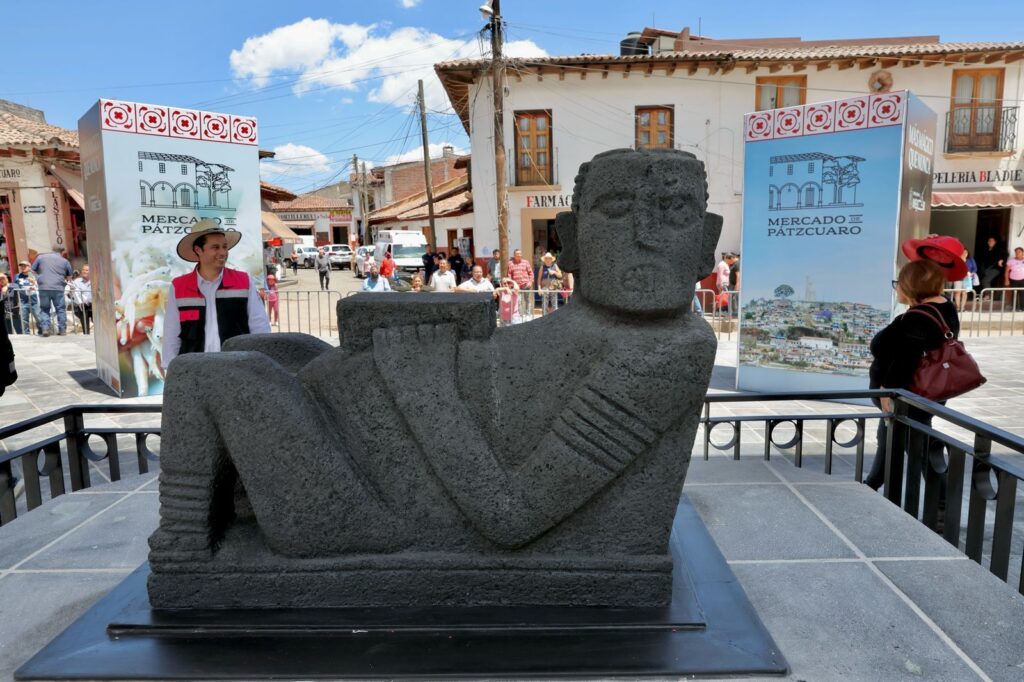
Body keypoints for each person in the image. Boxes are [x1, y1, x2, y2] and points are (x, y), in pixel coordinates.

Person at [864, 259, 962, 492]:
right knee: (888, 440)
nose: (897, 287)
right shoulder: (942, 307)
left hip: (907, 397)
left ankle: (942, 500)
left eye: (899, 282)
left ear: (911, 286)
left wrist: (888, 393)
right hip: (923, 393)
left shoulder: (917, 319)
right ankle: (871, 485)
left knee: (919, 447)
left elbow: (904, 361)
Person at [161, 221, 272, 370]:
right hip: (193, 370)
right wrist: (171, 370)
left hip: (237, 369)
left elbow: (259, 327)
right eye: (215, 247)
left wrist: (260, 366)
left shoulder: (244, 281)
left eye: (224, 247)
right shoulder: (179, 286)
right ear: (198, 250)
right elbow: (171, 334)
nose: (223, 252)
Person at [31, 244, 73, 336]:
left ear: (52, 249)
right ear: (62, 252)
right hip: (58, 288)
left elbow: (32, 270)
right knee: (60, 309)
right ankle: (62, 330)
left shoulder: (40, 257)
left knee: (44, 308)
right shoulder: (65, 261)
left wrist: (39, 278)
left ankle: (45, 329)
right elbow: (69, 276)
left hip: (43, 287)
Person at [13, 260, 42, 335]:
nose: (23, 267)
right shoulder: (17, 276)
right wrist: (15, 301)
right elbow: (14, 287)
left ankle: (41, 332)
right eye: (21, 266)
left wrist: (34, 282)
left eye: (25, 266)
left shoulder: (35, 275)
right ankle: (26, 334)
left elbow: (40, 286)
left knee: (39, 318)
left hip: (35, 301)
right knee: (24, 320)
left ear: (29, 267)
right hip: (23, 302)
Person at [508, 248, 534, 317]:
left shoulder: (526, 262)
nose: (519, 255)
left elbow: (531, 273)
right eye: (517, 254)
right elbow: (509, 275)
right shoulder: (510, 263)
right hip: (516, 286)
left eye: (520, 254)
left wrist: (530, 282)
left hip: (526, 285)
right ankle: (520, 315)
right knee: (518, 301)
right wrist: (512, 285)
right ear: (514, 255)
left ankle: (528, 315)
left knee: (527, 300)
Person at [70, 264, 93, 335]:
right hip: (82, 305)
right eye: (83, 270)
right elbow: (74, 294)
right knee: (85, 326)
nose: (84, 271)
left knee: (98, 323)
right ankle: (86, 335)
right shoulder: (77, 281)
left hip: (93, 305)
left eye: (86, 270)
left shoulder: (95, 280)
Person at [1005, 246, 1024, 310]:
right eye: (1016, 252)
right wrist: (1006, 280)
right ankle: (1014, 308)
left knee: (1022, 294)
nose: (1017, 253)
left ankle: (1022, 308)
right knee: (1014, 293)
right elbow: (1006, 271)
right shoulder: (1011, 261)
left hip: (1023, 280)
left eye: (1019, 252)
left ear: (1023, 253)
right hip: (1013, 280)